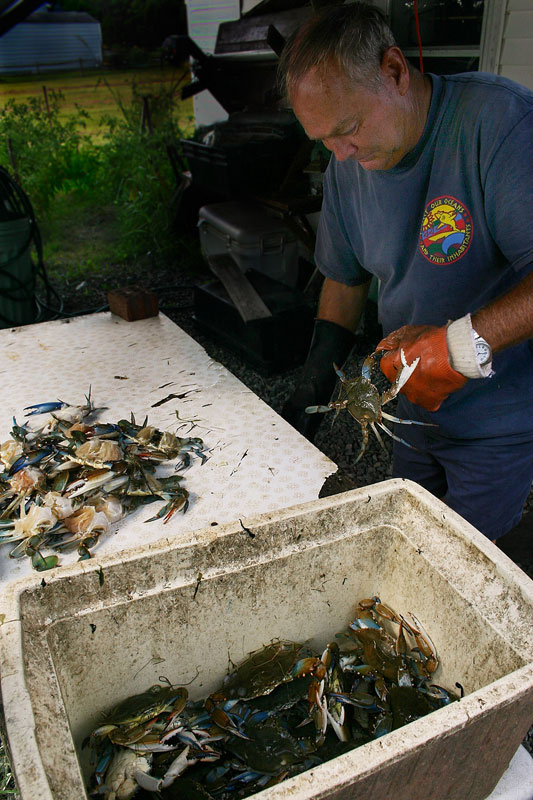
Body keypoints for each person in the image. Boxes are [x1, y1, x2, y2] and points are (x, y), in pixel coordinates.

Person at [278, 1, 533, 542]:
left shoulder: (500, 124)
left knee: (468, 563)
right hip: (408, 407)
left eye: (347, 129)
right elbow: (345, 280)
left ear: (394, 70)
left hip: (497, 419)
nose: (340, 154)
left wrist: (457, 348)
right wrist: (308, 395)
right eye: (323, 140)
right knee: (406, 540)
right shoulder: (347, 164)